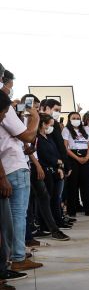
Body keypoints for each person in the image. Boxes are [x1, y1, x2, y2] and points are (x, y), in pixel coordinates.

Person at [0, 71, 42, 270]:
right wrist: (34, 117)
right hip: (13, 167)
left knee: (12, 217)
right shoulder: (4, 106)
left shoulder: (8, 109)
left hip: (9, 165)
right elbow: (27, 135)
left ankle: (13, 255)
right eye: (8, 84)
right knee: (18, 215)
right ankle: (16, 256)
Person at [32, 115, 69, 241]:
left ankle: (49, 225)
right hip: (43, 171)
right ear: (42, 124)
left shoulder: (47, 137)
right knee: (44, 199)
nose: (51, 127)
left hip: (52, 170)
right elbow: (42, 155)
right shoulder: (37, 138)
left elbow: (55, 152)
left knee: (49, 198)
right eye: (50, 124)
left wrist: (59, 164)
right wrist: (57, 162)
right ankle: (47, 226)